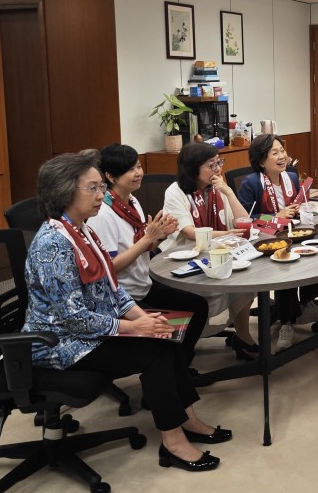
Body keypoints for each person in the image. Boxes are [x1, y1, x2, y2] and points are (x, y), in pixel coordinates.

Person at [23, 150, 226, 473]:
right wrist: (133, 328)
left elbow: (110, 287)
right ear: (64, 192)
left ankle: (188, 419)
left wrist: (140, 317)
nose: (100, 194)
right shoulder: (53, 244)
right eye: (92, 188)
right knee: (156, 351)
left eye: (99, 187)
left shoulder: (81, 229)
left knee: (166, 333)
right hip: (60, 344)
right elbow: (72, 319)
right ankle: (173, 442)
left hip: (92, 329)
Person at [86, 143, 209, 365]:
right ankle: (170, 371)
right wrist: (147, 239)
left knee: (198, 306)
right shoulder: (102, 215)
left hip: (143, 283)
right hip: (124, 296)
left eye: (139, 166)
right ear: (111, 176)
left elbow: (143, 248)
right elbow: (110, 268)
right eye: (130, 169)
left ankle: (180, 365)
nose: (139, 173)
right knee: (164, 327)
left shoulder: (132, 202)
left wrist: (160, 236)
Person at [161, 142, 258, 359]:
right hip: (185, 257)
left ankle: (242, 335)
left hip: (218, 252)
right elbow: (188, 231)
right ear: (192, 168)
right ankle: (187, 344)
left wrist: (229, 192)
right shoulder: (175, 191)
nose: (217, 169)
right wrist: (226, 234)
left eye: (219, 162)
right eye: (211, 165)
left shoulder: (218, 188)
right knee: (204, 295)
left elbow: (244, 220)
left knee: (247, 280)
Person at [236, 133, 318, 351]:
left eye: (282, 151)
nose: (282, 156)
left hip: (291, 233)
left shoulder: (290, 176)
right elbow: (245, 219)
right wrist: (276, 216)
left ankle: (308, 302)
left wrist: (301, 207)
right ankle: (286, 322)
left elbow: (294, 209)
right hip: (265, 241)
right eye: (275, 153)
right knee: (285, 265)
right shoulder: (251, 183)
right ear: (262, 160)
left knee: (315, 247)